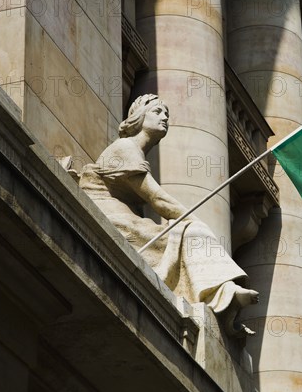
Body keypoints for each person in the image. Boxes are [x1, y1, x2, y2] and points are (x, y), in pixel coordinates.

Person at [79, 94, 259, 335]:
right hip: (109, 215)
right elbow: (158, 200)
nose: (165, 117)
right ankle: (223, 294)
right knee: (190, 231)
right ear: (138, 117)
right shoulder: (124, 148)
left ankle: (225, 306)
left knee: (185, 232)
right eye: (157, 111)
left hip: (125, 217)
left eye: (167, 114)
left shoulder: (136, 152)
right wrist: (195, 222)